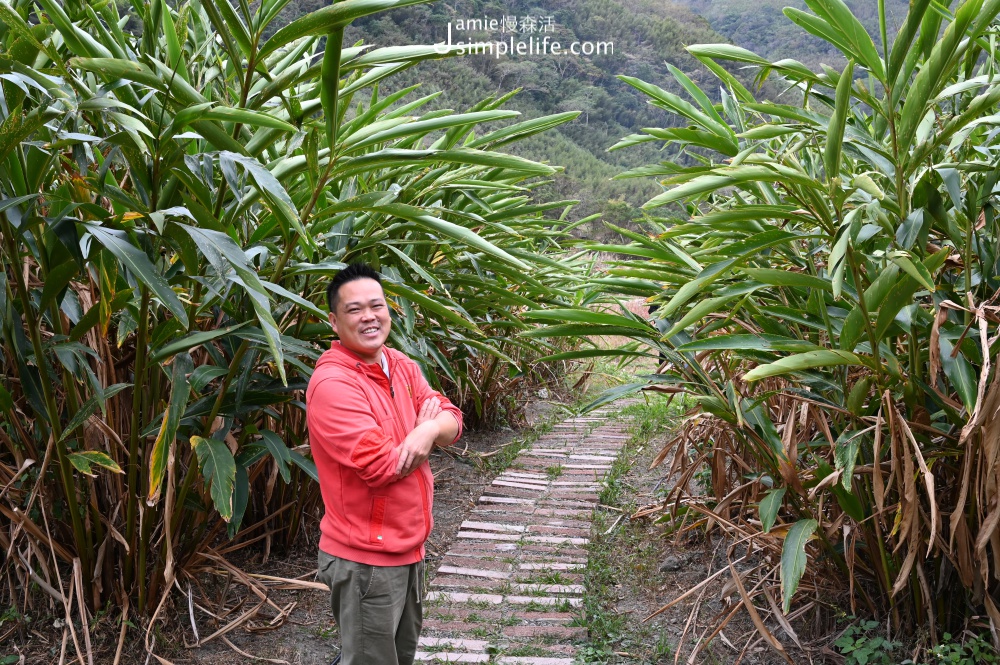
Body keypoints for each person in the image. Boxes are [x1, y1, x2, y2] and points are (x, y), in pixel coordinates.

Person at [306, 263, 462, 665]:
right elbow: (383, 466)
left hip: (408, 549)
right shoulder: (334, 385)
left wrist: (428, 430)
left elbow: (452, 420)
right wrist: (424, 429)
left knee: (399, 656)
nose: (369, 316)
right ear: (334, 321)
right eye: (354, 309)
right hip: (365, 559)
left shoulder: (400, 364)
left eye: (376, 306)